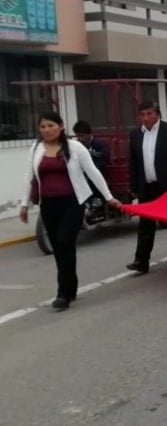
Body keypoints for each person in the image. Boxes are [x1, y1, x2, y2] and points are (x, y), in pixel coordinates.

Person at [20, 112, 122, 310]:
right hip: (48, 204)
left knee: (65, 242)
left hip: (72, 203)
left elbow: (93, 172)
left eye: (51, 125)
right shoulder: (36, 149)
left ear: (61, 127)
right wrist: (25, 204)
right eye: (43, 127)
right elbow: (29, 177)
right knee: (60, 248)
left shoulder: (75, 148)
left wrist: (109, 197)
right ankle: (70, 285)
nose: (47, 130)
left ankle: (63, 293)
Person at [126, 102, 167, 274]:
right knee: (145, 224)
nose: (145, 118)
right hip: (146, 185)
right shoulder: (135, 134)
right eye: (142, 114)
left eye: (149, 114)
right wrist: (133, 185)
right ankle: (141, 260)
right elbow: (133, 162)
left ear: (157, 114)